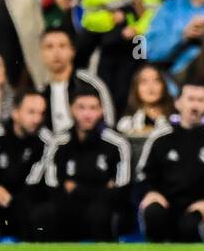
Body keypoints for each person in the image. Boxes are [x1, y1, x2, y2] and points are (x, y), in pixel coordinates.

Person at [135, 82, 204, 242]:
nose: (195, 105)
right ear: (178, 102)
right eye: (190, 99)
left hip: (200, 206)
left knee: (190, 226)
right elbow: (144, 173)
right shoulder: (161, 136)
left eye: (200, 100)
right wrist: (151, 193)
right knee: (153, 213)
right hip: (166, 202)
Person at [35, 90, 132, 241]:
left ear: (101, 110)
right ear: (71, 109)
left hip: (104, 208)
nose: (87, 114)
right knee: (44, 213)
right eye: (81, 107)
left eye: (93, 108)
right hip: (69, 206)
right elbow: (53, 185)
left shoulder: (118, 143)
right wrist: (101, 188)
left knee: (100, 213)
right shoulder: (58, 142)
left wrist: (76, 188)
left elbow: (121, 189)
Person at [37, 27, 114, 134]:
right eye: (49, 47)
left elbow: (108, 121)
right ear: (41, 53)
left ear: (72, 51)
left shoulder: (91, 84)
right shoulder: (40, 92)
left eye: (62, 46)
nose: (56, 52)